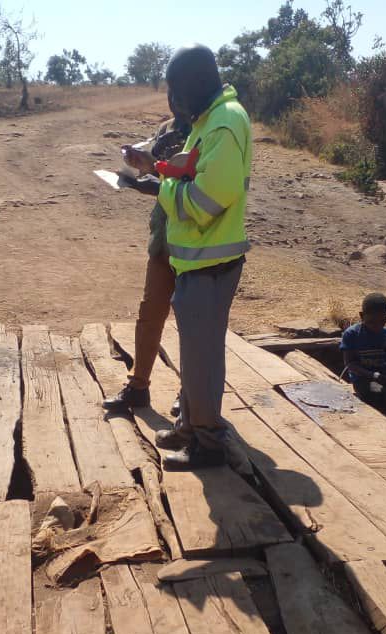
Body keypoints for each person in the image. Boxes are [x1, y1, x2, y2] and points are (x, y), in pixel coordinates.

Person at [125, 44, 252, 470]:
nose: (173, 101)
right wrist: (158, 169)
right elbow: (187, 170)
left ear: (199, 82)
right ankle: (191, 426)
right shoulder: (208, 120)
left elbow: (204, 201)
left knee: (203, 358)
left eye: (177, 91)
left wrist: (157, 186)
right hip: (195, 261)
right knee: (196, 354)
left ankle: (207, 444)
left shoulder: (224, 124)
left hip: (210, 263)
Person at [102, 118, 190, 414]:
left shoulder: (207, 130)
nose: (176, 101)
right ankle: (138, 387)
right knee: (149, 313)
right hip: (163, 238)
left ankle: (188, 393)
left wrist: (153, 183)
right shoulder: (168, 129)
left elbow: (195, 184)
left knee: (190, 323)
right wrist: (138, 162)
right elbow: (156, 165)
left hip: (193, 242)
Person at [340, 293, 386, 432]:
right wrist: (374, 376)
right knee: (380, 392)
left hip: (385, 376)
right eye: (372, 322)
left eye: (382, 321)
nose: (377, 326)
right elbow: (350, 364)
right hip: (363, 379)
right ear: (362, 316)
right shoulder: (352, 335)